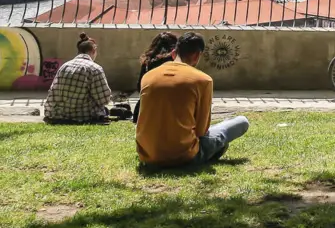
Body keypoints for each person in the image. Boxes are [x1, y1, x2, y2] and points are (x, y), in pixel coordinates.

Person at [136, 32, 250, 168]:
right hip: (184, 156)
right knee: (241, 122)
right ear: (197, 56)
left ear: (173, 53)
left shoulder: (148, 76)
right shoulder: (203, 80)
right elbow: (201, 131)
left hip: (148, 155)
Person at [43, 34, 114, 124]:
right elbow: (104, 99)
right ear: (94, 50)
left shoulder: (64, 66)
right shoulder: (95, 68)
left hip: (59, 115)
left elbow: (53, 92)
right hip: (83, 116)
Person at [133, 32, 179, 123]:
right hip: (168, 108)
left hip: (144, 108)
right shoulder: (175, 62)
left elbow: (140, 87)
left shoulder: (148, 62)